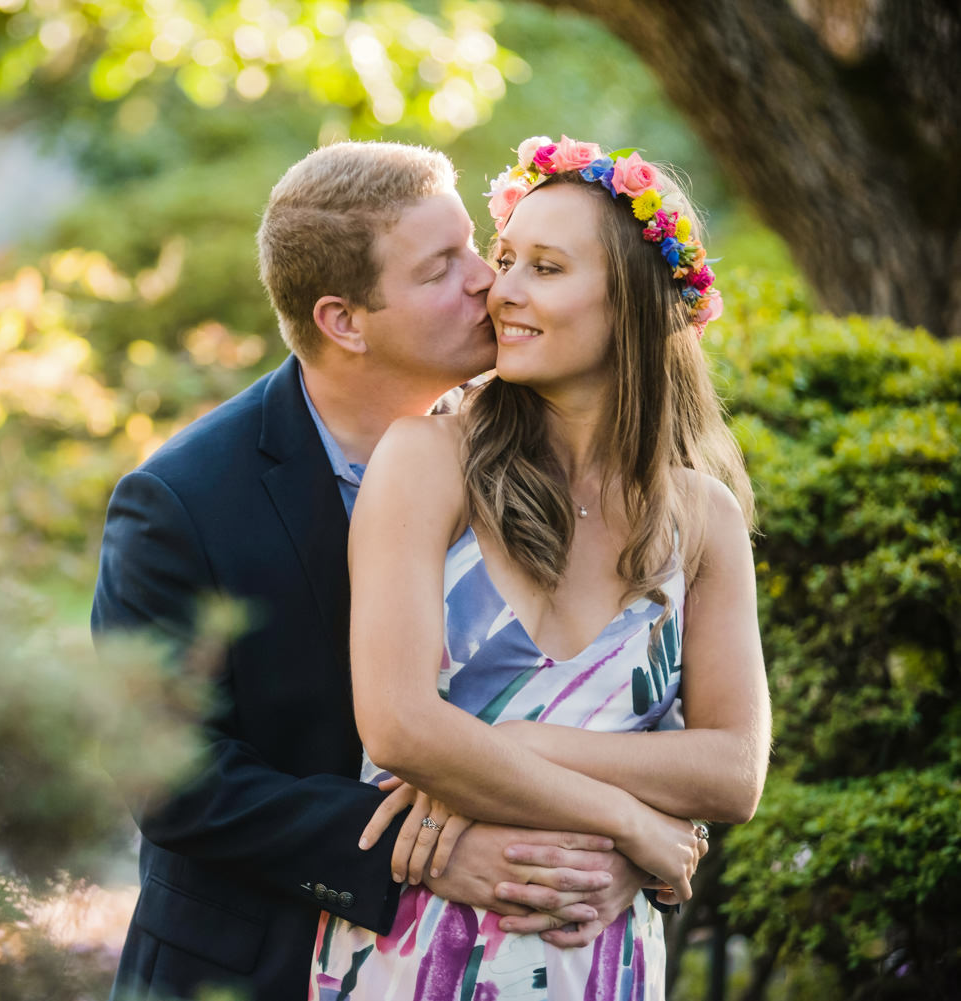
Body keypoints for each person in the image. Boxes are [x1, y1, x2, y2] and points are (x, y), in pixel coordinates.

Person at [92, 142, 655, 1001]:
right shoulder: (181, 502)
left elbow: (612, 690)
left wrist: (625, 846)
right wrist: (420, 855)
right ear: (344, 321)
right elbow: (168, 775)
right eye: (442, 268)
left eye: (478, 246)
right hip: (251, 970)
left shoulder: (531, 455)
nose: (487, 280)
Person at [310, 136, 773, 1000]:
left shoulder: (703, 516)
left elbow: (733, 771)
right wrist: (630, 818)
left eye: (546, 268)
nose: (503, 290)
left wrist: (510, 747)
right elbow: (401, 728)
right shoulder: (427, 460)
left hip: (605, 953)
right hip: (422, 950)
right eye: (505, 258)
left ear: (632, 302)